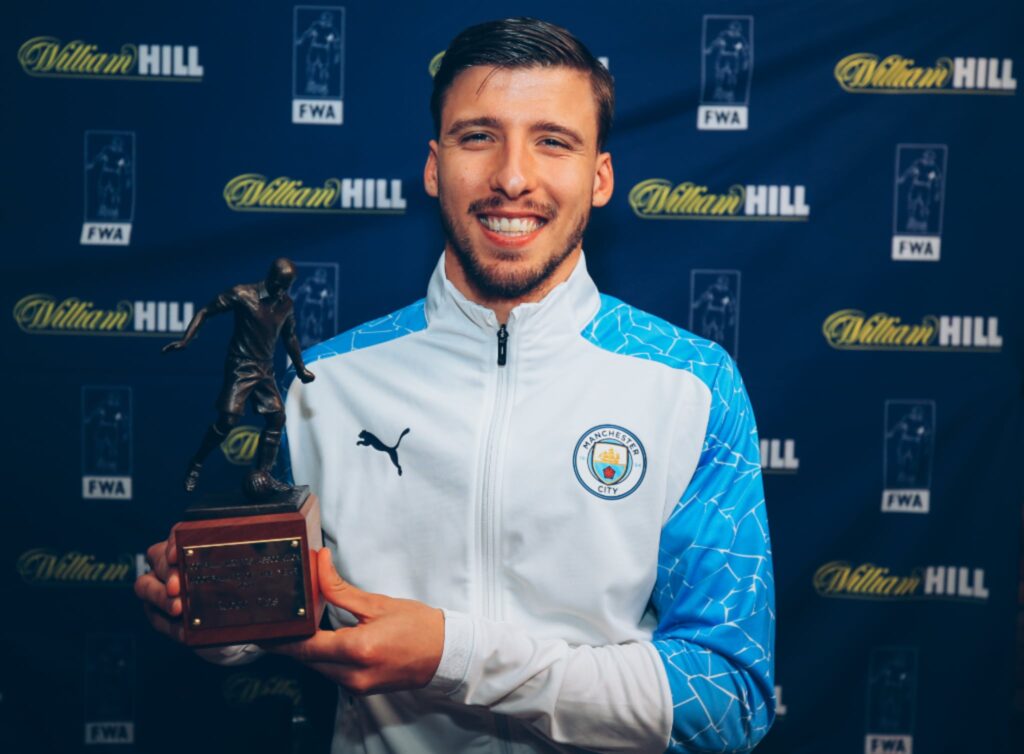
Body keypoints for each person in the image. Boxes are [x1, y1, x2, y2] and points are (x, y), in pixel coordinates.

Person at [136, 18, 775, 753]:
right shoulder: (326, 381)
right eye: (479, 137)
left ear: (600, 177)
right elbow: (276, 610)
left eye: (552, 140)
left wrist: (455, 656)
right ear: (435, 167)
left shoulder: (692, 384)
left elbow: (726, 702)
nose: (512, 176)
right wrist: (208, 612)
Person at [161, 257, 316, 497]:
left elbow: (290, 337)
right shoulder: (242, 293)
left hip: (265, 369)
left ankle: (264, 474)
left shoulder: (286, 304)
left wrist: (300, 367)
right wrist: (185, 340)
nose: (283, 291)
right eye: (280, 284)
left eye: (288, 286)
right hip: (241, 366)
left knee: (276, 417)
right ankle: (197, 463)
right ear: (271, 278)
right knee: (228, 421)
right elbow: (205, 311)